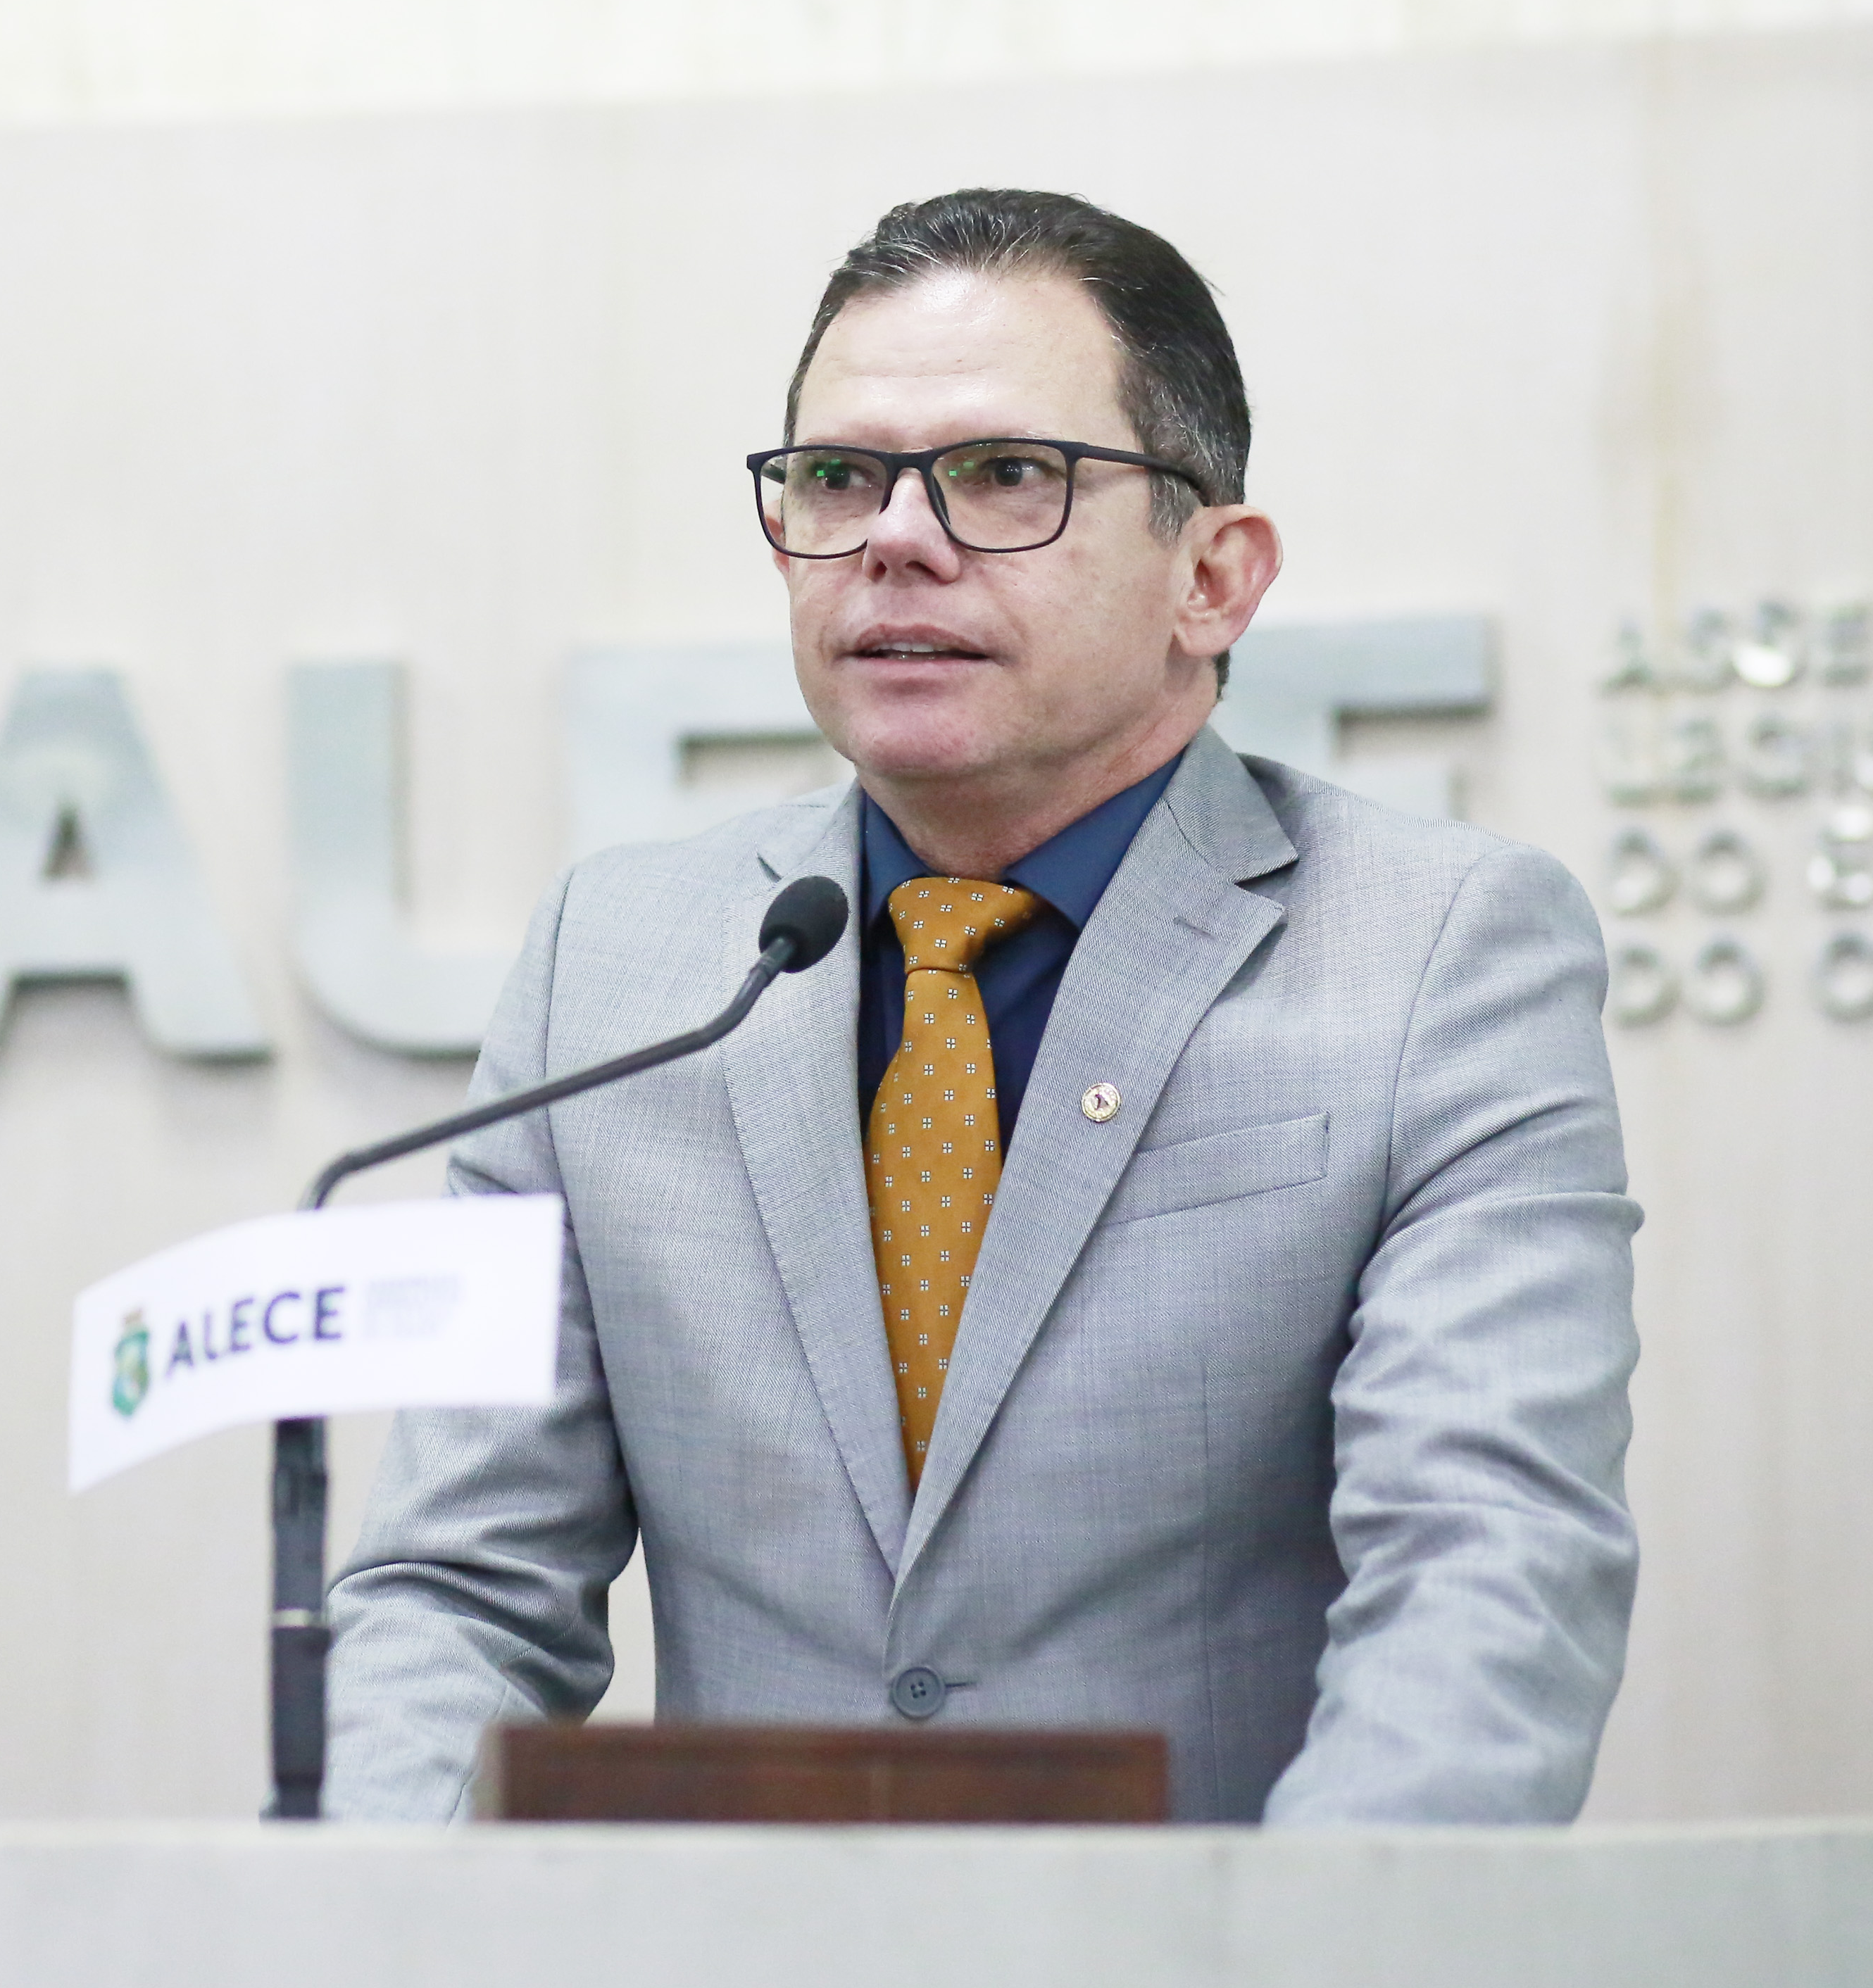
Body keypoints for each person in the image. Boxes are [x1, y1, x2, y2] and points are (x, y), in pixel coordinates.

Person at [325, 188, 1639, 1823]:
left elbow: (1485, 1576)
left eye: (1003, 475)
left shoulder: (1440, 950)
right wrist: (384, 1957)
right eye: (835, 477)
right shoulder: (621, 962)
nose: (892, 535)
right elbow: (458, 1592)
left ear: (1212, 577)